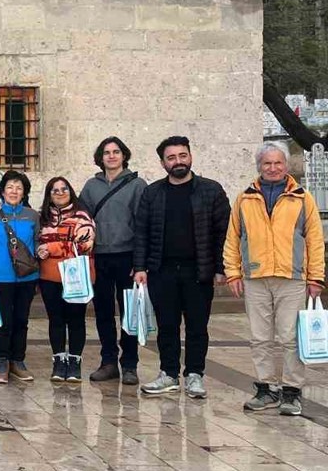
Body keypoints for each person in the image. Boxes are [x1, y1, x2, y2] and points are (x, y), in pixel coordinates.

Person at [224, 142, 323, 416]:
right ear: (259, 166)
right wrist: (233, 272)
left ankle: (292, 391)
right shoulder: (244, 198)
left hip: (291, 277)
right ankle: (266, 389)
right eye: (267, 163)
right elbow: (233, 238)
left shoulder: (303, 198)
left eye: (278, 162)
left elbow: (314, 240)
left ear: (286, 165)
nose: (273, 168)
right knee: (259, 337)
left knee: (290, 337)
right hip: (256, 276)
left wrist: (316, 277)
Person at [135, 136, 230, 399]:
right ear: (163, 162)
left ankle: (195, 375)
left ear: (190, 156)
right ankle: (168, 373)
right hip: (161, 271)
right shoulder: (152, 193)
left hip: (199, 271)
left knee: (198, 326)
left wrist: (221, 267)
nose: (178, 161)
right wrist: (140, 266)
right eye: (172, 157)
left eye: (182, 155)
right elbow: (141, 232)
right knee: (167, 325)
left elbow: (225, 232)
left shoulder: (211, 190)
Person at [78, 137, 147, 385]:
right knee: (103, 312)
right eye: (106, 152)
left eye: (116, 151)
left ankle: (130, 364)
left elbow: (143, 225)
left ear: (124, 155)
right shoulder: (90, 186)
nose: (111, 156)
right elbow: (82, 220)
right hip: (99, 258)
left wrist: (140, 263)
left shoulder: (137, 185)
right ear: (101, 157)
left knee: (129, 313)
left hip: (127, 256)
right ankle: (109, 362)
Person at [0, 171, 39, 384]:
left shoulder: (32, 216)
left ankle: (18, 361)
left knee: (21, 320)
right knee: (3, 321)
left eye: (19, 188)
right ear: (2, 191)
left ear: (24, 193)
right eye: (10, 187)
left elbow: (38, 243)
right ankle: (2, 360)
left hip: (27, 278)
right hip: (0, 277)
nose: (14, 191)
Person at [36, 176, 96, 384]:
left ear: (70, 192)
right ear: (49, 195)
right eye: (55, 190)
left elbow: (84, 245)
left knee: (76, 319)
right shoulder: (42, 218)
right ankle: (59, 360)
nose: (60, 193)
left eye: (64, 189)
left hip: (76, 277)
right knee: (56, 319)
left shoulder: (82, 216)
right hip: (49, 277)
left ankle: (75, 362)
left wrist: (53, 248)